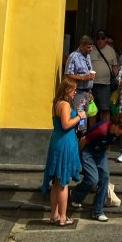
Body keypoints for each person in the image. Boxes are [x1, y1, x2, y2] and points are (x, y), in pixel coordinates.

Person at [41, 77, 85, 226]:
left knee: (56, 182)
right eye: (73, 89)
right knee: (63, 182)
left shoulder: (57, 103)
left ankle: (54, 215)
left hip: (57, 141)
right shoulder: (65, 105)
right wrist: (79, 116)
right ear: (67, 89)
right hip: (64, 143)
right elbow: (66, 124)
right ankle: (63, 217)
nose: (75, 92)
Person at [68, 111, 122, 222]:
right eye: (120, 128)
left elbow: (108, 143)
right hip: (87, 152)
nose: (121, 132)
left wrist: (105, 154)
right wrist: (76, 156)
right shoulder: (102, 129)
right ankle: (75, 195)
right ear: (114, 125)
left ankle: (98, 211)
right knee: (92, 180)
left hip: (100, 152)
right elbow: (83, 140)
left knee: (104, 177)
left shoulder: (115, 134)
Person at [64, 35, 96, 114]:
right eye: (88, 47)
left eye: (91, 47)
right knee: (78, 115)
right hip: (77, 92)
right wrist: (83, 77)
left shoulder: (87, 56)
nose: (90, 49)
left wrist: (90, 92)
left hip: (86, 92)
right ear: (81, 46)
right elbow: (67, 74)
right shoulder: (74, 56)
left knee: (84, 116)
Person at [90, 30, 118, 121]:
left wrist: (117, 79)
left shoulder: (111, 51)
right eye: (98, 38)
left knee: (105, 109)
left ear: (106, 39)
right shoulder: (91, 49)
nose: (100, 40)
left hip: (105, 84)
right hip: (91, 84)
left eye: (102, 38)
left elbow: (115, 67)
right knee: (92, 109)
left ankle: (104, 128)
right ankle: (92, 129)